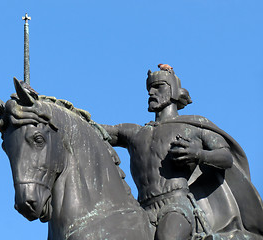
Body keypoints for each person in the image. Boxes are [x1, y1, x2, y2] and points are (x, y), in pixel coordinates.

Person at [101, 66, 263, 240]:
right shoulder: (135, 132)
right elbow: (99, 131)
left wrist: (199, 154)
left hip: (175, 206)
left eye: (158, 87)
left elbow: (226, 157)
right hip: (141, 209)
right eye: (149, 89)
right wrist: (72, 115)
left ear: (173, 91)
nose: (151, 92)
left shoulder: (193, 125)